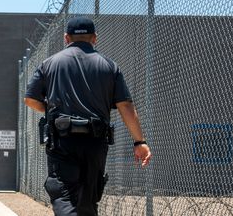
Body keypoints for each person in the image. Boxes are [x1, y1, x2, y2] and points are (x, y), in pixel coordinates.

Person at [24, 16, 152, 216]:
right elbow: (125, 105)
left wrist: (50, 111)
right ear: (95, 38)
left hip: (62, 141)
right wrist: (139, 142)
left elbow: (30, 99)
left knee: (64, 197)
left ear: (67, 38)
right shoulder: (109, 66)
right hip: (95, 141)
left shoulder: (49, 63)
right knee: (88, 199)